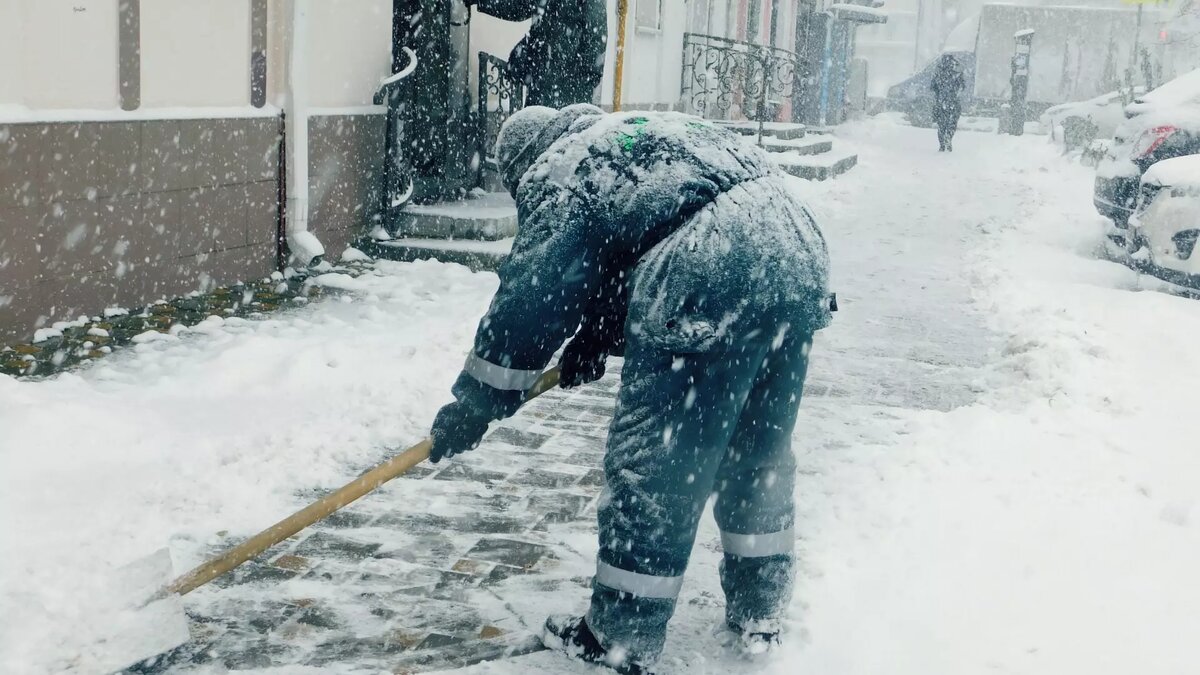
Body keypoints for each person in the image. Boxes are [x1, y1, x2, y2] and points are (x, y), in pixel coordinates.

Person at [428, 104, 833, 674]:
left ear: (521, 164)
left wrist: (478, 400)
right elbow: (641, 231)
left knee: (661, 461)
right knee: (757, 449)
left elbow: (535, 292)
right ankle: (760, 606)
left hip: (709, 263)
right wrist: (596, 332)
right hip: (793, 252)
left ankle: (621, 637)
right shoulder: (630, 136)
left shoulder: (561, 167)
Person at [468, 0, 607, 107]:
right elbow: (521, 5)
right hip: (544, 77)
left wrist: (586, 78)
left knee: (557, 138)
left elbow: (596, 34)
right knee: (538, 133)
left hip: (567, 83)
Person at [930, 54, 965, 152]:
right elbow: (962, 86)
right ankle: (949, 137)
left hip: (941, 102)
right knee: (952, 123)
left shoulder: (938, 73)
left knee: (941, 125)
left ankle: (941, 145)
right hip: (953, 102)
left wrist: (939, 94)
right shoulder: (957, 73)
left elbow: (932, 87)